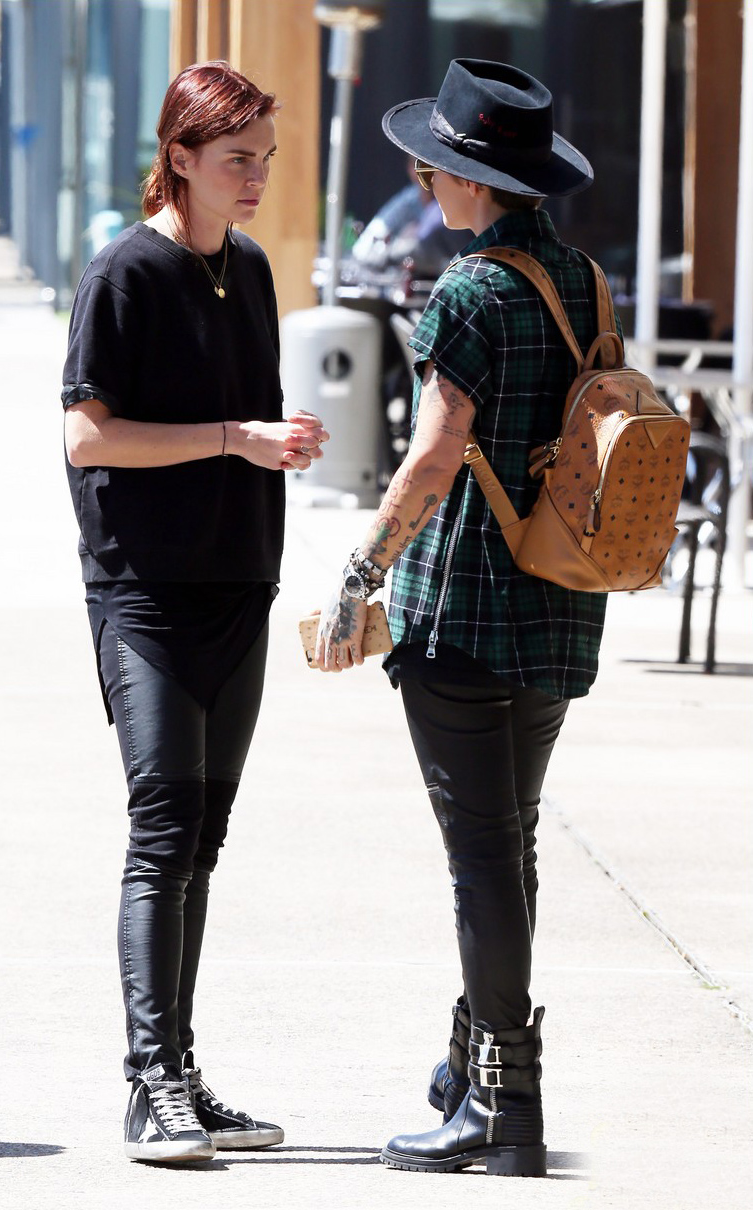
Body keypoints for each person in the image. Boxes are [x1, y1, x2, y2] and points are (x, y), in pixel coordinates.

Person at [315, 59, 612, 1176]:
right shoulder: (583, 278)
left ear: (467, 177)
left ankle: (502, 1104)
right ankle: (469, 1066)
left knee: (481, 856)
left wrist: (361, 574)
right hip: (560, 602)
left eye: (429, 162)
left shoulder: (471, 290)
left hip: (468, 610)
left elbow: (434, 455)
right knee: (508, 841)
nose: (415, 176)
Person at [62, 61, 329, 1164]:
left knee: (202, 843)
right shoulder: (124, 272)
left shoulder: (253, 268)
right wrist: (233, 438)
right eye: (237, 159)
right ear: (179, 157)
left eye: (265, 157)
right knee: (162, 828)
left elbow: (247, 415)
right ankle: (146, 1083)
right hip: (147, 595)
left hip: (237, 587)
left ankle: (181, 1073)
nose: (257, 177)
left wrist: (278, 442)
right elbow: (87, 438)